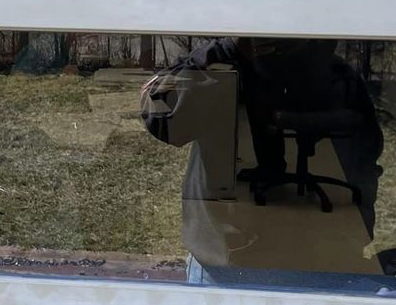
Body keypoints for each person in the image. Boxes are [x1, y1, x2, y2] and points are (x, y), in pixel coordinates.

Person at [141, 37, 383, 284]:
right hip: (229, 263)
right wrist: (228, 50)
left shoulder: (336, 78)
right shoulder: (222, 73)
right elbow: (160, 117)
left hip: (318, 261)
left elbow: (365, 154)